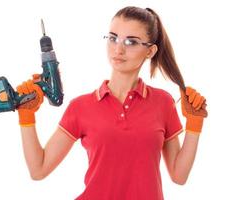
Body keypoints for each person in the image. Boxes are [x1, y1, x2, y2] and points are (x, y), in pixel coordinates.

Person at [16, 6, 208, 200]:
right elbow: (38, 170)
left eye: (131, 42)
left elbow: (179, 176)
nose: (118, 49)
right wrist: (26, 115)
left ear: (150, 51)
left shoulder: (163, 103)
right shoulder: (81, 107)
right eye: (113, 38)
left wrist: (194, 123)